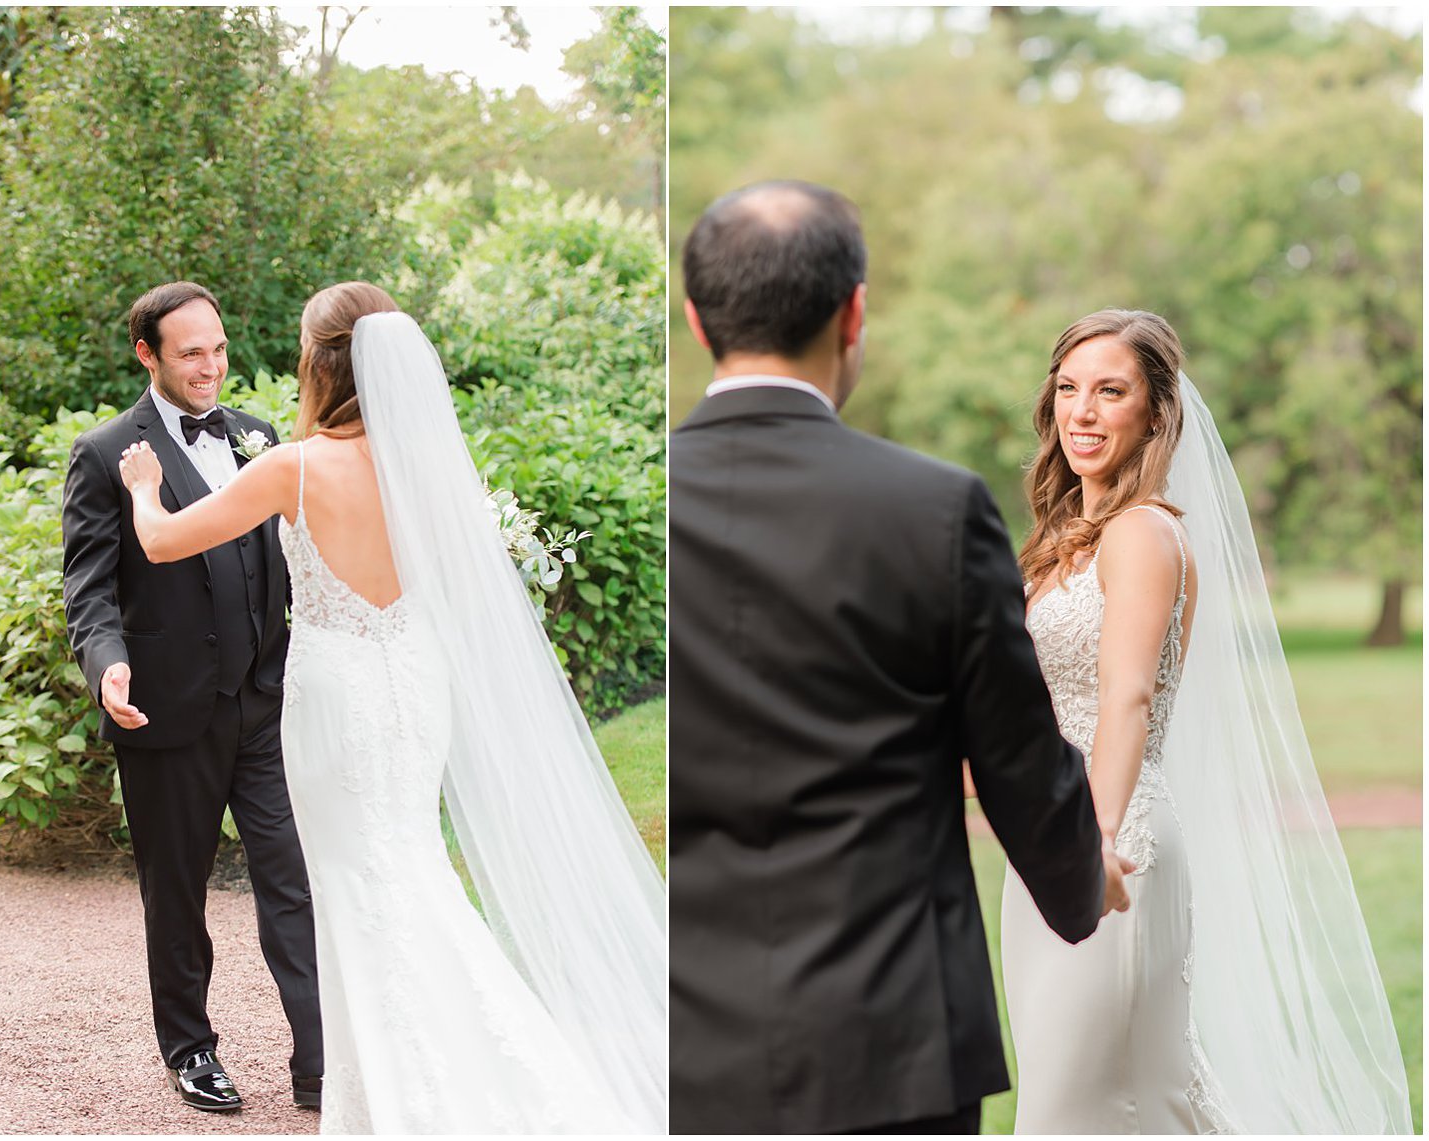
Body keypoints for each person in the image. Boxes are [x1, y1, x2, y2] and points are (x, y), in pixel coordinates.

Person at [115, 281, 667, 1133]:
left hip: (336, 698)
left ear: (322, 363)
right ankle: (415, 1078)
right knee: (410, 871)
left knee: (356, 885)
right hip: (415, 685)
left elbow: (159, 540)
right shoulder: (427, 470)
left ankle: (401, 1099)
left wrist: (147, 483)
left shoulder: (293, 466)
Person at [668, 180, 1132, 1135]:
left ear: (698, 319)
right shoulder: (933, 506)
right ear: (854, 312)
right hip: (892, 1031)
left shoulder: (651, 494)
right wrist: (1085, 873)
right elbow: (1016, 756)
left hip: (685, 1030)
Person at [1002, 307, 1412, 1133]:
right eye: (1069, 389)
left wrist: (1098, 843)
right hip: (1045, 847)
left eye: (1110, 391)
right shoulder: (1058, 544)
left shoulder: (1143, 533)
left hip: (1116, 848)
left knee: (1086, 1106)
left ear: (1155, 410)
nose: (1082, 412)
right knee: (1076, 1093)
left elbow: (1127, 698)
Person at [61, 282, 322, 1113]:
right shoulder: (107, 454)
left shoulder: (258, 435)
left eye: (217, 348)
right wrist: (106, 663)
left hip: (264, 700)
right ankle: (191, 1048)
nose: (211, 367)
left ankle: (318, 1060)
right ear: (147, 355)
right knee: (176, 890)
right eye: (190, 354)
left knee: (293, 878)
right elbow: (91, 588)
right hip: (168, 711)